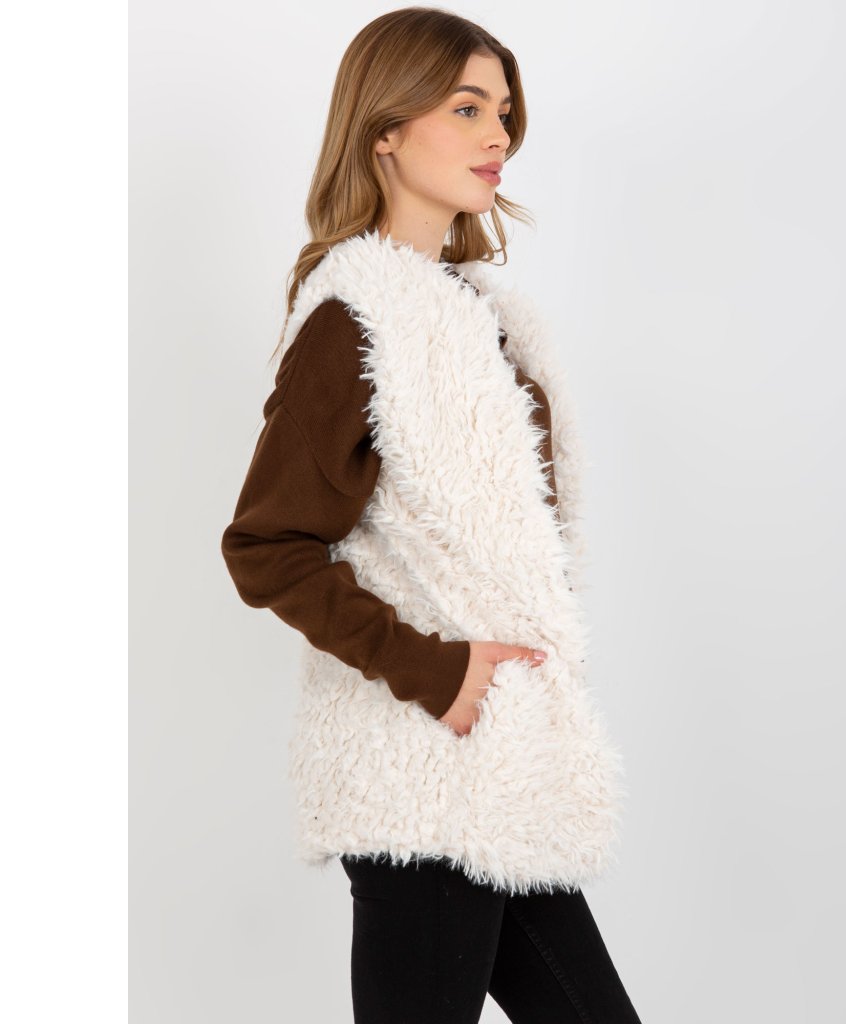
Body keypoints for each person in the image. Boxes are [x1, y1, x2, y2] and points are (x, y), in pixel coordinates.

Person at [221, 7, 641, 1022]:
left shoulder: (476, 314)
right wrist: (433, 669)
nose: (500, 134)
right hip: (415, 777)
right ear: (385, 130)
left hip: (504, 770)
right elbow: (266, 545)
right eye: (466, 108)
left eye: (503, 111)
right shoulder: (353, 317)